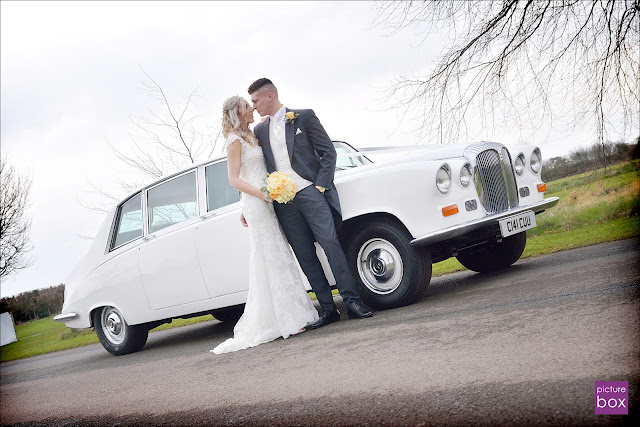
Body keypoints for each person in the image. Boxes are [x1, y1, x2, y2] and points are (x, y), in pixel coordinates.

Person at [248, 78, 372, 329]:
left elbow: (329, 152)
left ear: (269, 96)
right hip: (284, 203)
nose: (253, 107)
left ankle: (352, 301)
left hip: (310, 192)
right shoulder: (260, 130)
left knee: (330, 244)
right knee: (304, 255)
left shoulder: (303, 117)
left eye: (255, 100)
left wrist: (320, 186)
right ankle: (328, 310)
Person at [210, 96, 319, 354]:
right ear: (238, 112)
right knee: (268, 253)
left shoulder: (250, 135)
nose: (252, 109)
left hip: (266, 198)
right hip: (259, 201)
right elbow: (234, 179)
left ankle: (294, 313)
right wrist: (258, 197)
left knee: (279, 251)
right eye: (247, 107)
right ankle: (282, 319)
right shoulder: (234, 141)